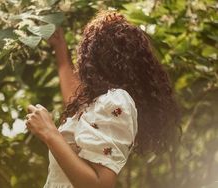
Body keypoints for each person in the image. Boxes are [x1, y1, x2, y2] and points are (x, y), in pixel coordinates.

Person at [25, 10, 181, 188]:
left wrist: (49, 133)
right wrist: (60, 49)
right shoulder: (102, 102)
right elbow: (74, 104)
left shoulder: (116, 101)